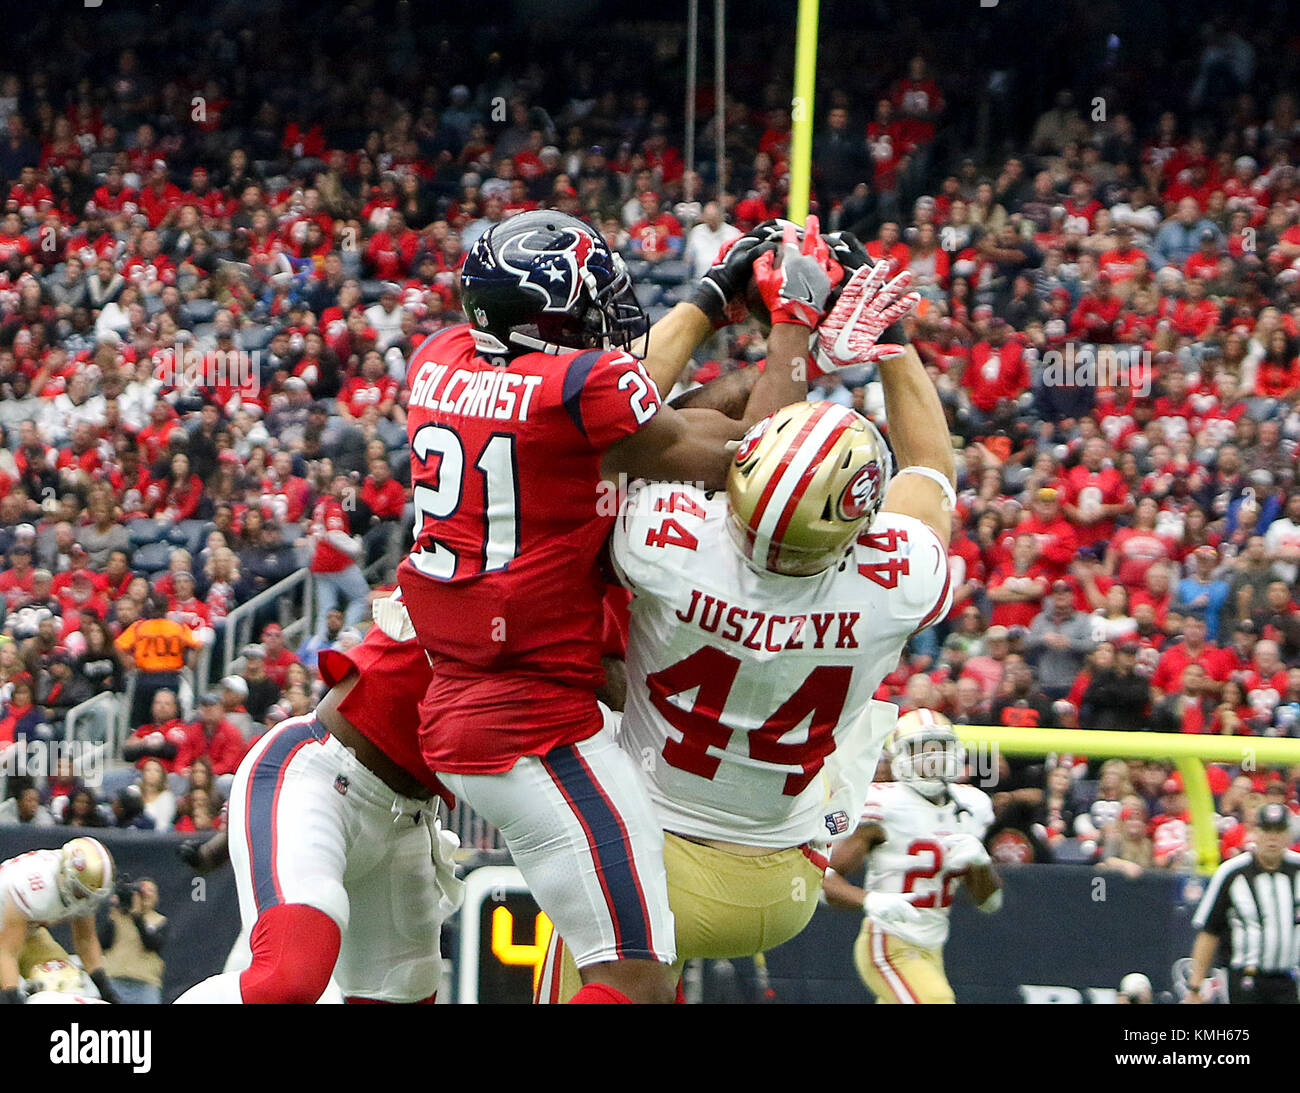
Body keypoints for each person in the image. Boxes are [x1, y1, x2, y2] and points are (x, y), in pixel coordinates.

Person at [397, 212, 835, 1004]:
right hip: (531, 720)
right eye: (589, 305)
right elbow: (760, 467)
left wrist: (711, 298)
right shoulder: (579, 392)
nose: (610, 316)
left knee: (640, 965)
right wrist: (792, 337)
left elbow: (639, 411)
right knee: (633, 971)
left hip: (477, 696)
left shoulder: (442, 357)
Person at [537, 260, 953, 1001]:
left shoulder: (665, 547)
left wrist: (709, 304)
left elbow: (612, 424)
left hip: (646, 855)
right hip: (787, 882)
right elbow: (932, 470)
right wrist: (891, 341)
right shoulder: (892, 583)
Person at [174, 602, 464, 1005]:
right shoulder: (480, 554)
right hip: (321, 776)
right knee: (289, 979)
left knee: (405, 991)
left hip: (409, 821)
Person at [823, 711, 1001, 1004]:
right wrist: (871, 901)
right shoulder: (884, 805)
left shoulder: (972, 805)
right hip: (888, 944)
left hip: (932, 947)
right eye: (922, 751)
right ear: (900, 757)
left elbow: (990, 903)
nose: (933, 760)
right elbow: (823, 879)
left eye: (940, 749)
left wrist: (980, 864)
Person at [1185, 802, 1300, 1004]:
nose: (1272, 837)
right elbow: (1209, 931)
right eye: (1267, 830)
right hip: (1246, 979)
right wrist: (1195, 987)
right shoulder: (1232, 872)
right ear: (1255, 832)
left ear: (1288, 835)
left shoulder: (1297, 870)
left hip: (1287, 979)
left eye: (1279, 830)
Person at [0, 836, 120, 1003]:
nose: (85, 898)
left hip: (25, 931)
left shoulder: (83, 885)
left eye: (89, 894)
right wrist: (11, 996)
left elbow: (85, 941)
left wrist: (106, 990)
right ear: (65, 874)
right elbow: (7, 952)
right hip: (7, 934)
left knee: (62, 980)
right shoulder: (33, 887)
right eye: (81, 891)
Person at [114, 594, 202, 728]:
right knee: (174, 720)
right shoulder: (177, 626)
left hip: (145, 679)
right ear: (167, 609)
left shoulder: (139, 627)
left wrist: (127, 663)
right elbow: (198, 644)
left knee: (141, 722)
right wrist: (190, 665)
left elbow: (118, 646)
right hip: (171, 678)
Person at [98, 877, 167, 1004]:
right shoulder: (118, 917)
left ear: (156, 898)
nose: (146, 894)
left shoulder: (159, 920)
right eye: (142, 890)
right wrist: (113, 914)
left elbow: (153, 944)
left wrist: (137, 917)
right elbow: (103, 944)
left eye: (150, 891)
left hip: (145, 985)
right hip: (115, 981)